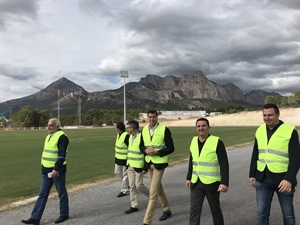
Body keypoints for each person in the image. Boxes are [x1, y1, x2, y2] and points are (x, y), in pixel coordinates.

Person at [249, 103, 300, 225]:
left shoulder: (290, 131)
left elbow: (296, 158)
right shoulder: (260, 130)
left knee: (288, 215)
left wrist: (289, 179)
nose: (267, 118)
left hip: (283, 180)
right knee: (262, 214)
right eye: (264, 115)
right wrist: (252, 174)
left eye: (270, 115)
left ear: (278, 114)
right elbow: (256, 153)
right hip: (262, 179)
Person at [21, 118, 69, 225]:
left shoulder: (62, 137)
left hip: (57, 171)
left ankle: (64, 214)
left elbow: (61, 155)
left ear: (57, 126)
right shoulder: (48, 136)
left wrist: (56, 168)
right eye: (48, 125)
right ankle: (35, 218)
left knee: (61, 193)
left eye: (51, 125)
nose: (48, 127)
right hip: (46, 170)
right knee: (42, 194)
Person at [186, 118, 229, 225]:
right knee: (194, 211)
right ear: (196, 128)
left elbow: (224, 163)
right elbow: (192, 160)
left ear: (209, 127)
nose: (201, 128)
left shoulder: (217, 142)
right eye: (198, 126)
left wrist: (224, 182)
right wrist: (188, 177)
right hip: (196, 182)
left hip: (212, 183)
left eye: (204, 126)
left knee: (215, 211)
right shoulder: (193, 141)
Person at [140, 109, 175, 225]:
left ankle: (147, 222)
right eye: (150, 117)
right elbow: (141, 146)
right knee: (158, 188)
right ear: (147, 117)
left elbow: (171, 148)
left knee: (153, 193)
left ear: (157, 117)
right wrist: (145, 150)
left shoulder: (164, 129)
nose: (152, 119)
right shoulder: (144, 130)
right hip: (149, 163)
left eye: (154, 117)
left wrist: (157, 152)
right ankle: (167, 210)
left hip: (159, 164)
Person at [124, 120, 150, 214]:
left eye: (128, 127)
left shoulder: (142, 137)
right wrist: (127, 164)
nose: (127, 129)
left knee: (139, 185)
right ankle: (133, 206)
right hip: (130, 165)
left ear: (132, 128)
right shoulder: (131, 137)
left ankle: (152, 198)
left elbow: (146, 153)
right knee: (132, 186)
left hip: (139, 166)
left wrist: (145, 167)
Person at [114, 122, 130, 197]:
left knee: (125, 175)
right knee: (117, 173)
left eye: (116, 127)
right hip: (118, 159)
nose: (115, 128)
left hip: (125, 160)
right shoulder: (118, 135)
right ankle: (128, 185)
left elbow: (130, 147)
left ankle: (124, 190)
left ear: (119, 128)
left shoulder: (126, 136)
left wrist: (128, 160)